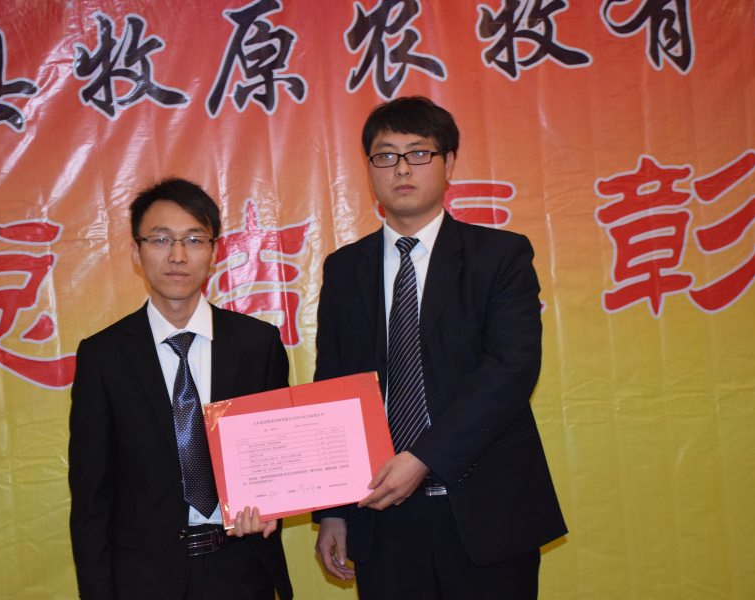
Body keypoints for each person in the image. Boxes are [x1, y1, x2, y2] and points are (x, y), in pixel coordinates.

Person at [313, 96, 567, 599]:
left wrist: (422, 457)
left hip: (484, 508)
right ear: (369, 168)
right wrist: (334, 511)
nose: (402, 168)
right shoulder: (344, 269)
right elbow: (334, 385)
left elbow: (510, 371)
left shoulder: (500, 256)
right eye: (386, 155)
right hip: (380, 512)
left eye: (418, 153)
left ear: (448, 163)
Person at [69, 177, 293, 600]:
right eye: (160, 240)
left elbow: (280, 455)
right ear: (136, 251)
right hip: (144, 578)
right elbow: (91, 498)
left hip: (242, 568)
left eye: (194, 239)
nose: (178, 255)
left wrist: (274, 503)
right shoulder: (104, 356)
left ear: (215, 251)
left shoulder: (257, 344)